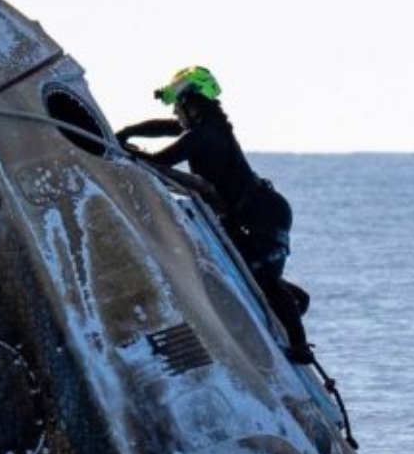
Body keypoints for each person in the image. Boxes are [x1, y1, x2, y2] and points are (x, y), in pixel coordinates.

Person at [115, 66, 313, 364]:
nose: (175, 111)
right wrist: (128, 132)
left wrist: (127, 151)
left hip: (265, 213)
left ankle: (300, 347)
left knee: (263, 276)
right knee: (252, 273)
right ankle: (296, 300)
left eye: (177, 104)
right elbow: (166, 128)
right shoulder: (204, 127)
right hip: (249, 215)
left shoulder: (206, 133)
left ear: (190, 102)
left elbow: (163, 160)